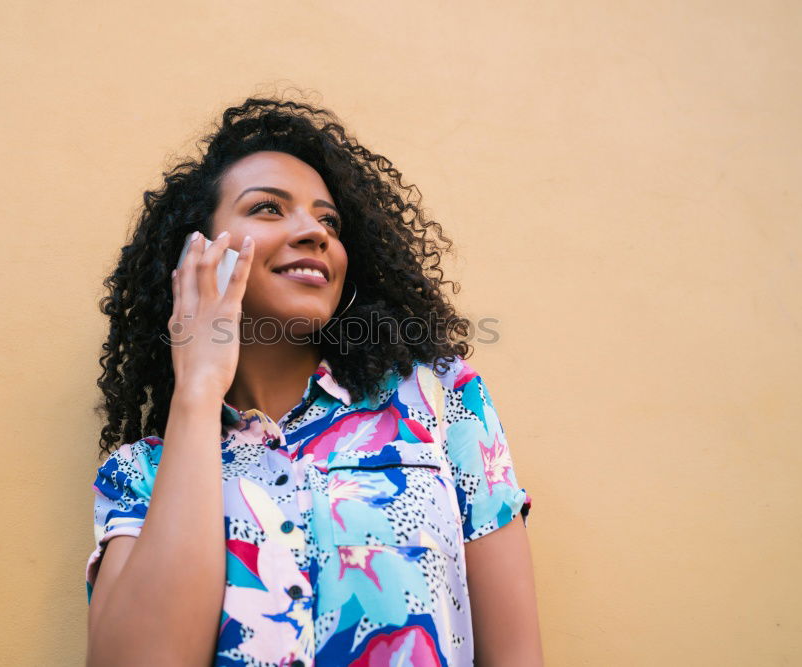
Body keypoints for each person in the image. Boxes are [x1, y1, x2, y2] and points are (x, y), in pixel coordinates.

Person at [85, 96, 542, 666]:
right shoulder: (140, 473)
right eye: (270, 209)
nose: (314, 232)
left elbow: (516, 656)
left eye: (329, 220)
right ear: (200, 256)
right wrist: (198, 392)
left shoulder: (444, 402)